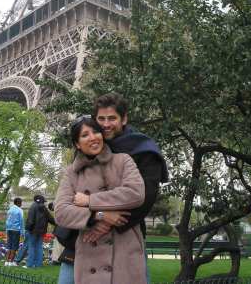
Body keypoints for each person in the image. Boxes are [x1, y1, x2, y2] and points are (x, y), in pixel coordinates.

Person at [57, 93, 168, 284]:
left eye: (112, 119)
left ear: (124, 119)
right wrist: (96, 217)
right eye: (101, 119)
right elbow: (64, 206)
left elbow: (144, 198)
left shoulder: (142, 150)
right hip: (82, 238)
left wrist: (104, 219)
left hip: (123, 233)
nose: (106, 124)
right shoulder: (89, 152)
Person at [23, 194, 55, 268]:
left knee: (31, 247)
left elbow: (30, 220)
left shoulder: (33, 207)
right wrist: (58, 224)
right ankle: (38, 264)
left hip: (33, 231)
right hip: (42, 231)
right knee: (39, 247)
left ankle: (30, 264)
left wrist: (28, 228)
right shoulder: (45, 209)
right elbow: (51, 219)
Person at [5, 197, 24, 266]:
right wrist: (22, 232)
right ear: (18, 203)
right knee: (14, 246)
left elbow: (7, 220)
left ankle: (6, 261)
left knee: (9, 245)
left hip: (9, 229)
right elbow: (22, 221)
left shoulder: (9, 210)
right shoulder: (20, 210)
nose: (21, 204)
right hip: (16, 230)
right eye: (21, 203)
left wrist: (6, 230)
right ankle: (11, 261)